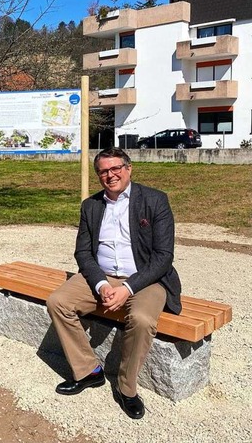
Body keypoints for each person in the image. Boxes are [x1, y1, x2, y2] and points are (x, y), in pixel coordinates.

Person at [46, 147, 182, 419]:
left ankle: (126, 387)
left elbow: (164, 257)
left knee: (142, 319)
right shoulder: (91, 206)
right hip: (102, 276)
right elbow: (83, 253)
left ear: (128, 168)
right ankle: (89, 371)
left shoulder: (154, 201)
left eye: (115, 168)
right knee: (57, 302)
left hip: (145, 279)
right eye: (103, 171)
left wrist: (127, 289)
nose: (110, 175)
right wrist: (101, 286)